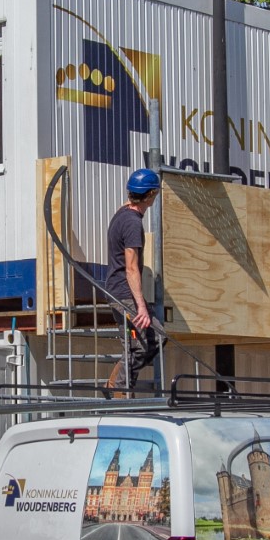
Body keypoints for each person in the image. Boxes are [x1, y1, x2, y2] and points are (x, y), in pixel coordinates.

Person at [105, 168, 162, 393]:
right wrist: (141, 306)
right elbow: (131, 268)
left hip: (122, 292)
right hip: (123, 294)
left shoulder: (124, 212)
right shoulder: (132, 224)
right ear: (150, 196)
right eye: (155, 194)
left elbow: (129, 202)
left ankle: (116, 381)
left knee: (157, 336)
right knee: (137, 347)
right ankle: (119, 392)